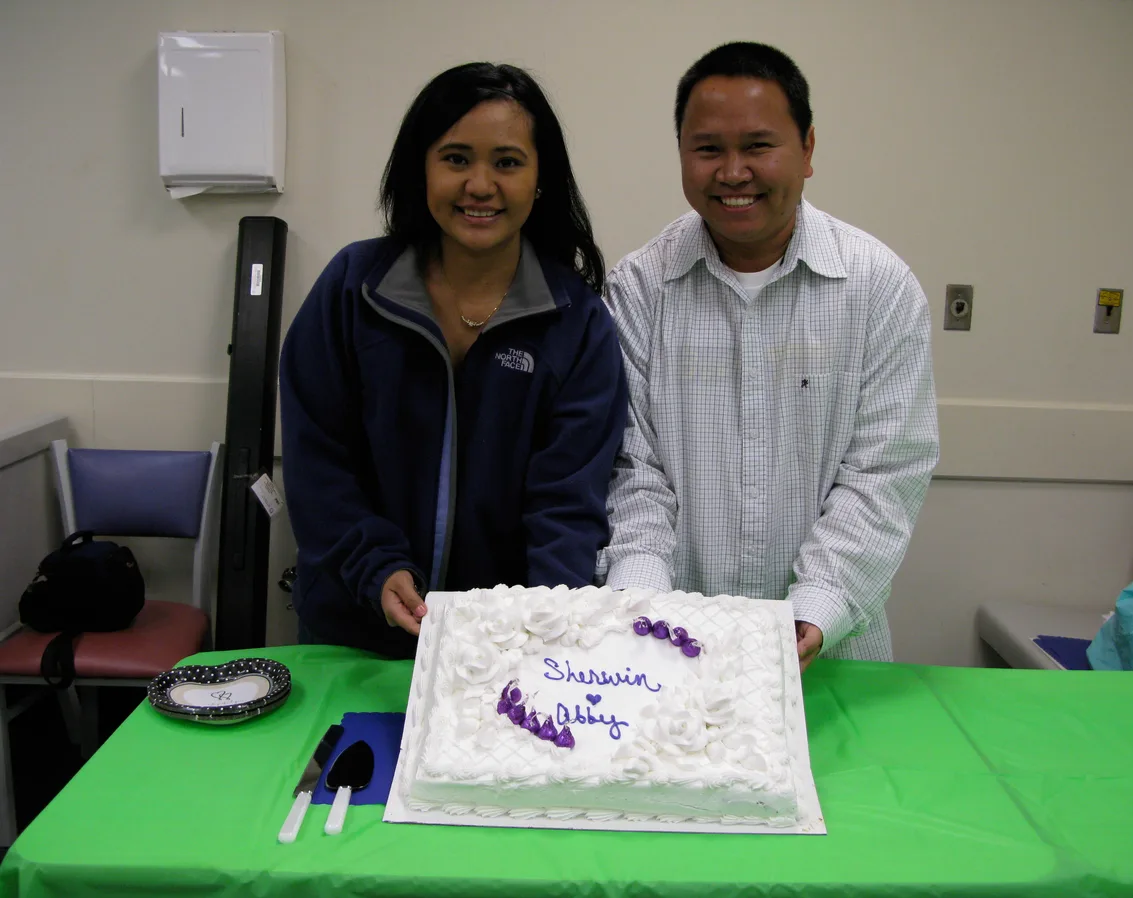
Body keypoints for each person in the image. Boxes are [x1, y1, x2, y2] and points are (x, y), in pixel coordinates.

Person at [601, 42, 938, 669]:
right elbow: (631, 471)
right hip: (668, 660)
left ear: (807, 149)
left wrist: (816, 609)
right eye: (708, 149)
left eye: (758, 146)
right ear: (681, 154)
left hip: (829, 656)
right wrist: (643, 608)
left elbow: (885, 474)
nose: (733, 173)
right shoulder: (638, 289)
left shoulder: (878, 287)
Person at [280, 62, 627, 658]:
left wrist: (543, 628)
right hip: (355, 629)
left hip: (504, 647)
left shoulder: (578, 323)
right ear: (421, 168)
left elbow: (569, 504)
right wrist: (376, 566)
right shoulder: (353, 289)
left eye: (508, 162)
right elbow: (317, 461)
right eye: (457, 158)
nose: (480, 185)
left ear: (541, 179)